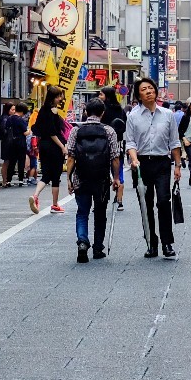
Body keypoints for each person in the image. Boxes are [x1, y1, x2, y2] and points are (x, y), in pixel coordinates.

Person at [125, 78, 183, 258]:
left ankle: (167, 243)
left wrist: (178, 165)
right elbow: (131, 142)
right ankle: (151, 243)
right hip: (142, 164)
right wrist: (134, 159)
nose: (149, 91)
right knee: (146, 204)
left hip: (162, 163)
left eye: (151, 88)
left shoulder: (167, 115)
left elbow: (174, 141)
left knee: (163, 201)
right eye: (144, 89)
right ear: (139, 95)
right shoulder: (133, 116)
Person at [66, 97, 123, 262]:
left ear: (85, 112)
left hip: (81, 177)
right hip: (102, 179)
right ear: (102, 113)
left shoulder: (76, 131)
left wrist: (69, 179)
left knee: (82, 212)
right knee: (100, 213)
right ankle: (98, 248)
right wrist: (116, 178)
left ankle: (82, 241)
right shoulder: (109, 131)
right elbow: (115, 157)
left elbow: (70, 157)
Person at [30, 88, 68, 214]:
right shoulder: (53, 111)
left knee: (46, 174)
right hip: (54, 146)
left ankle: (35, 196)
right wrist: (62, 147)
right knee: (56, 175)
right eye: (58, 97)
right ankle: (55, 204)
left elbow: (36, 128)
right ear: (53, 97)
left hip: (44, 145)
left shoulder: (42, 110)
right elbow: (53, 132)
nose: (60, 99)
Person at [101, 88, 129, 209]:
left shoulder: (101, 110)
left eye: (101, 94)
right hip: (117, 145)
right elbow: (124, 125)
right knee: (118, 173)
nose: (99, 96)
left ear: (107, 96)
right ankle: (119, 200)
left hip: (102, 145)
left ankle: (101, 199)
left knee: (103, 174)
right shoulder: (120, 110)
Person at [0, 104, 29, 187]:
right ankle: (20, 180)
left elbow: (6, 128)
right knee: (21, 161)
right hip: (20, 142)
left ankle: (8, 180)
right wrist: (29, 131)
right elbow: (25, 132)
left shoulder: (9, 118)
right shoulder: (21, 120)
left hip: (11, 142)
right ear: (23, 111)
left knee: (12, 161)